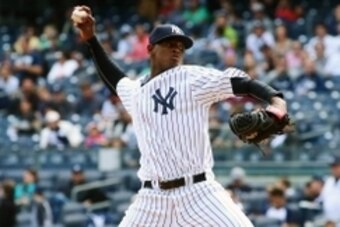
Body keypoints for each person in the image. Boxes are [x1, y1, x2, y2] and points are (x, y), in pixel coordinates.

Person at [71, 5, 287, 226]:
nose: (177, 49)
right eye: (170, 44)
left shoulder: (191, 78)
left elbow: (242, 84)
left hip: (199, 193)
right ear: (150, 48)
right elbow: (114, 78)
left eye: (181, 46)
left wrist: (276, 101)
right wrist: (91, 39)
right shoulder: (136, 92)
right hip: (152, 198)